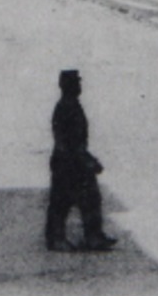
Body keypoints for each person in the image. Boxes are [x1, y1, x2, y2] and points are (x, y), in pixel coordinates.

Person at [45, 69, 116, 252]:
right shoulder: (66, 107)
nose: (79, 86)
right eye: (76, 83)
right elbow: (69, 142)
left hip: (73, 160)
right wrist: (88, 161)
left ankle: (93, 236)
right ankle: (57, 239)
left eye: (79, 83)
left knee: (90, 199)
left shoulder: (71, 104)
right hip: (67, 163)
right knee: (62, 202)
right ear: (66, 86)